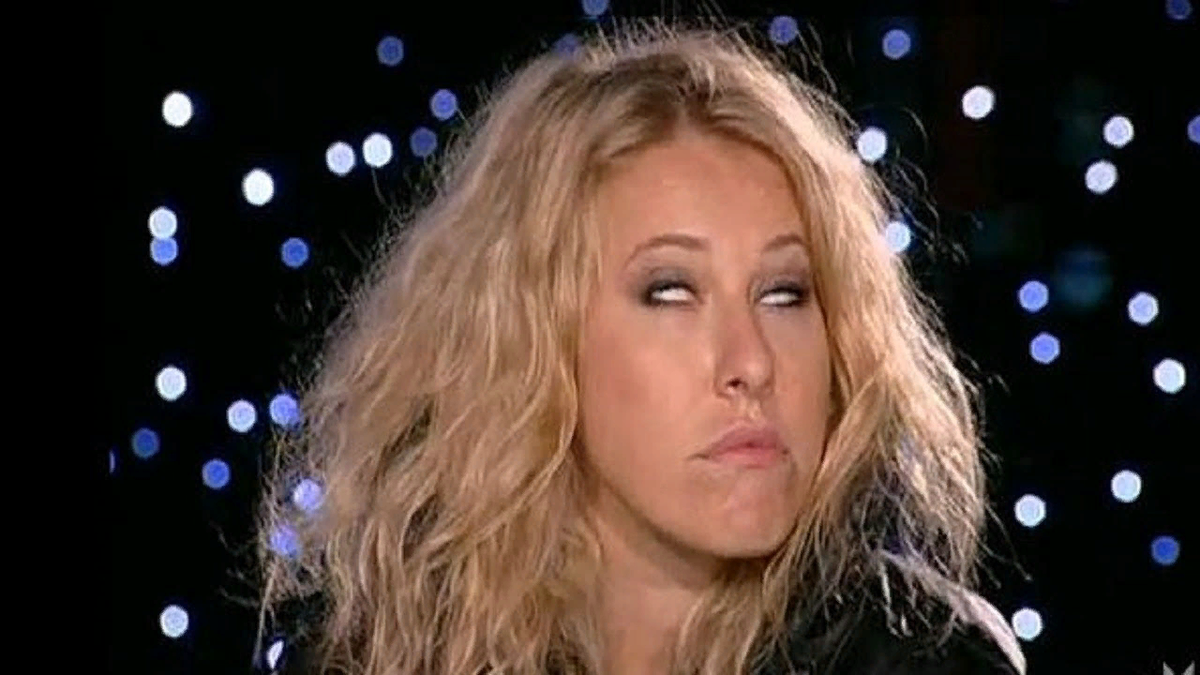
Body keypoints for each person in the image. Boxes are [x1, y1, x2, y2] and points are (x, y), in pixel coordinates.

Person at [252, 16, 1027, 675]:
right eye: (671, 290)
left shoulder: (923, 658)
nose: (752, 363)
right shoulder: (376, 649)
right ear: (535, 343)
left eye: (785, 293)